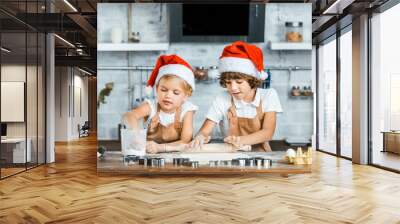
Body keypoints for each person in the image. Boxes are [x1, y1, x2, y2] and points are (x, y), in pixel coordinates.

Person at [190, 41, 282, 151]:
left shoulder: (268, 95)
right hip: (231, 155)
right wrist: (200, 136)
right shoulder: (222, 98)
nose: (233, 88)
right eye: (228, 83)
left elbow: (268, 133)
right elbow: (205, 130)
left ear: (253, 79)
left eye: (239, 82)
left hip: (260, 156)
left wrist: (239, 140)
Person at [123, 55, 197, 153]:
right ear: (157, 89)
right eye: (163, 90)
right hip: (149, 157)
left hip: (177, 157)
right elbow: (129, 115)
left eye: (175, 93)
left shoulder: (187, 110)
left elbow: (185, 141)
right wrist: (135, 134)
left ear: (185, 96)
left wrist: (160, 148)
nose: (168, 96)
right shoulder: (151, 106)